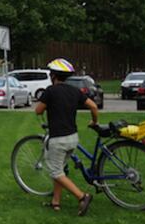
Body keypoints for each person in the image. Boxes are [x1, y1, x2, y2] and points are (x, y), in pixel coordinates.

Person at [34, 58, 98, 216]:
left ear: (53, 76)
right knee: (60, 169)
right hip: (73, 138)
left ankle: (82, 196)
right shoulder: (74, 91)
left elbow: (38, 111)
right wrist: (94, 121)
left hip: (58, 140)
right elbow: (93, 106)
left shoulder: (50, 91)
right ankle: (55, 202)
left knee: (55, 172)